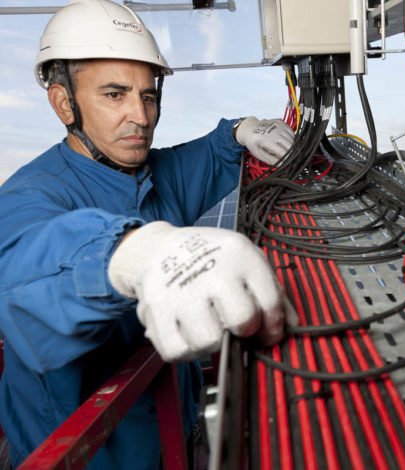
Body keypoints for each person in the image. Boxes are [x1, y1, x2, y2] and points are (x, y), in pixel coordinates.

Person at [0, 0, 296, 468]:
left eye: (149, 95)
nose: (140, 116)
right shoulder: (30, 194)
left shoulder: (152, 170)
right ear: (63, 103)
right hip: (90, 458)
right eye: (114, 95)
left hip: (173, 435)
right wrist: (135, 254)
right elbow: (25, 265)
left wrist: (242, 130)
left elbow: (210, 151)